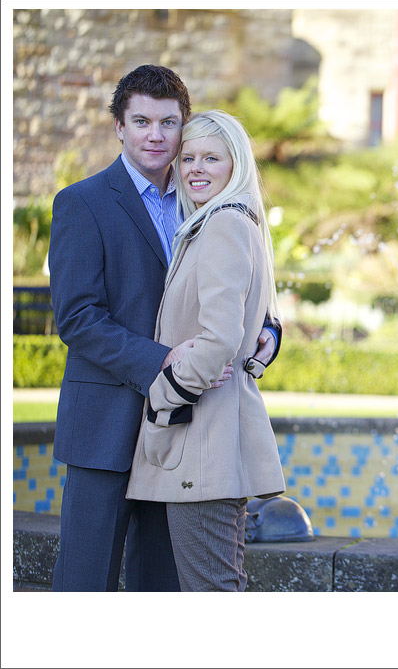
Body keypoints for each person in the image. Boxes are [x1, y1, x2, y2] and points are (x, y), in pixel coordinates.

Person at [48, 65, 281, 592]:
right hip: (107, 422)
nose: (156, 134)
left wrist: (268, 328)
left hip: (184, 428)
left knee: (163, 588)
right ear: (120, 128)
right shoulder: (81, 203)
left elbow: (233, 282)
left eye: (169, 123)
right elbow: (79, 318)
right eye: (142, 121)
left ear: (185, 128)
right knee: (86, 585)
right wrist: (165, 360)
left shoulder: (203, 197)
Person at [126, 110, 286, 592]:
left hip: (203, 442)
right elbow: (245, 327)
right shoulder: (225, 222)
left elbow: (217, 340)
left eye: (211, 158)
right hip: (208, 438)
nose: (195, 167)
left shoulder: (222, 225)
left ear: (234, 164)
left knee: (211, 594)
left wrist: (163, 394)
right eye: (189, 157)